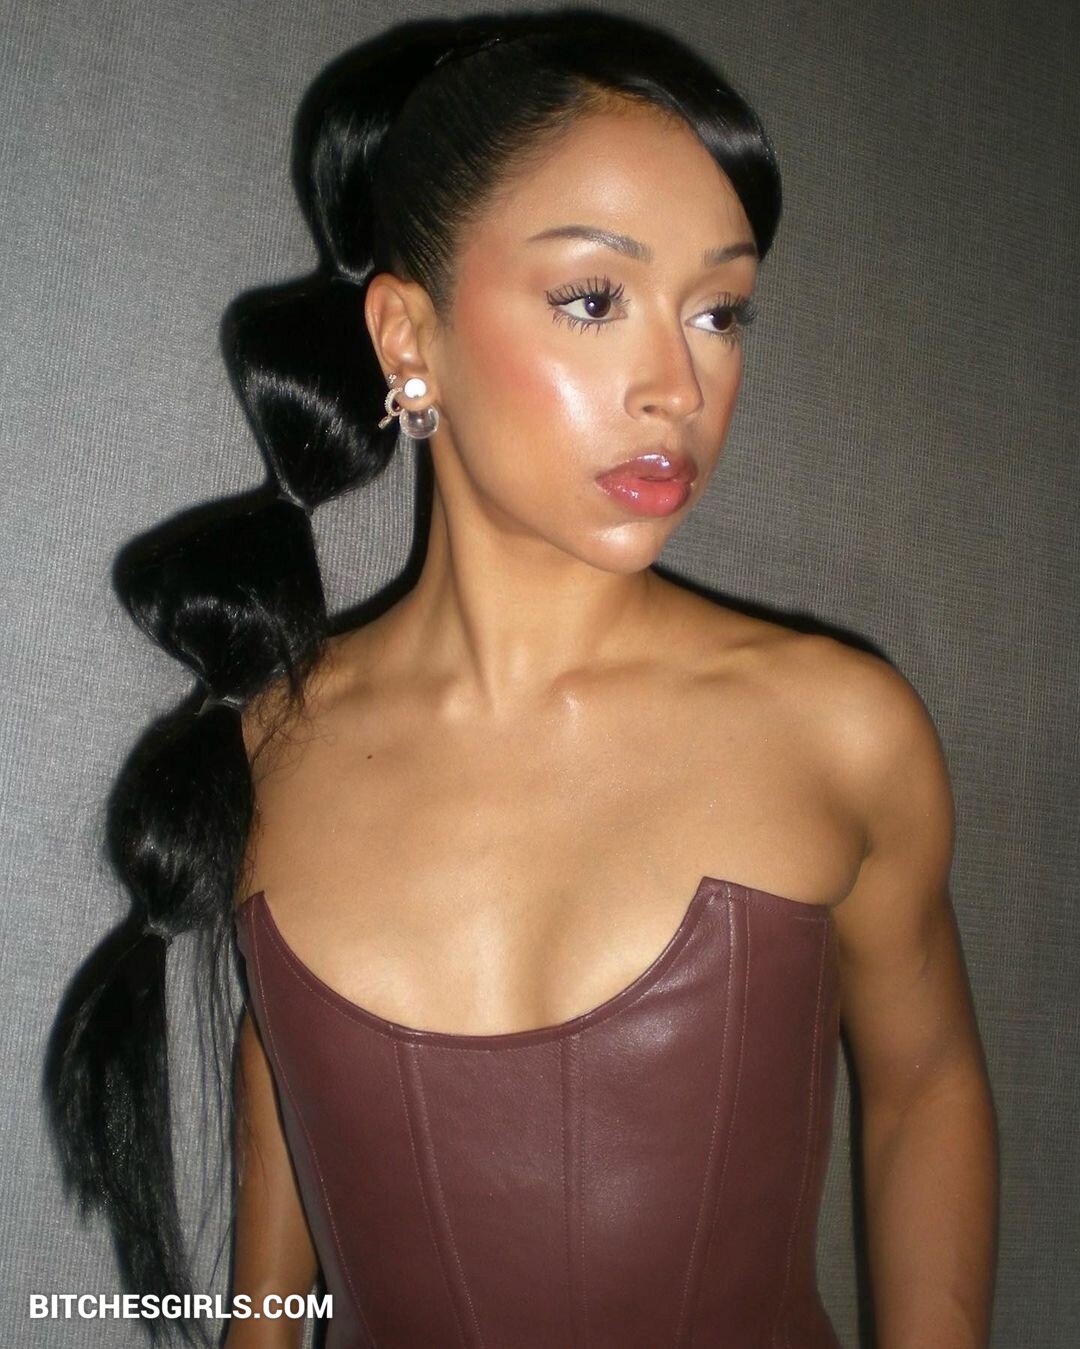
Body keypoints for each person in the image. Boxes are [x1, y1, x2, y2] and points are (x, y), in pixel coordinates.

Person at [47, 9, 998, 1348]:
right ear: (407, 340)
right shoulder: (274, 750)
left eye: (719, 311)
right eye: (594, 299)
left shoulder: (838, 732)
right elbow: (285, 1170)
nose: (679, 386)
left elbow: (925, 1085)